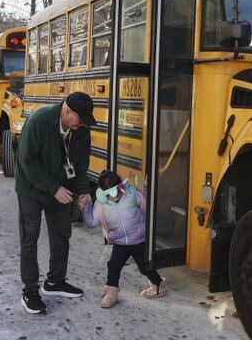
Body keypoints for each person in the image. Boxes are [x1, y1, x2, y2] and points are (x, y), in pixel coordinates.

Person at [15, 91, 95, 314]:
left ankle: (54, 282)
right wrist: (54, 188)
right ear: (67, 112)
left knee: (61, 233)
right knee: (30, 237)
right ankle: (30, 290)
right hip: (32, 188)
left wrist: (82, 192)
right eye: (81, 119)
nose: (83, 125)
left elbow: (80, 166)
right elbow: (27, 161)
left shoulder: (81, 130)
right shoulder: (39, 122)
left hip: (62, 188)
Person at [79, 170, 167, 308]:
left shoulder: (131, 193)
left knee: (145, 267)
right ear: (103, 192)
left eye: (118, 190)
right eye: (110, 193)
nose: (116, 196)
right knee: (113, 265)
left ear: (121, 186)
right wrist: (86, 207)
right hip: (120, 243)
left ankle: (158, 284)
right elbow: (91, 222)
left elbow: (147, 204)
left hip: (139, 240)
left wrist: (146, 188)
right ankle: (111, 293)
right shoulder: (100, 205)